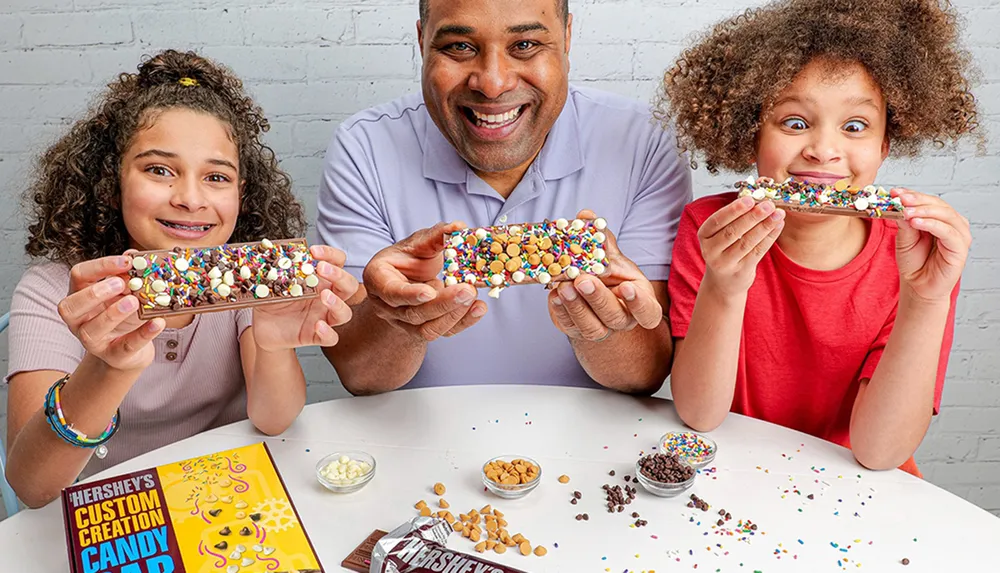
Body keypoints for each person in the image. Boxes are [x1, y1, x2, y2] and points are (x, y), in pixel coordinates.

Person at [4, 50, 359, 507]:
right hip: (107, 517)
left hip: (224, 498)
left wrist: (273, 345)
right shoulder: (50, 291)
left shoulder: (245, 284)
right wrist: (110, 365)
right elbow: (32, 488)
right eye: (159, 170)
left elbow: (275, 420)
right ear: (112, 184)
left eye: (216, 177)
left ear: (241, 194)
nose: (190, 199)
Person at [660, 0, 978, 475]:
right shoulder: (711, 230)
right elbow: (699, 415)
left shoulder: (917, 257)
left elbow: (880, 453)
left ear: (885, 143)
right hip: (736, 477)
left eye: (855, 127)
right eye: (794, 122)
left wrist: (926, 302)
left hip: (860, 489)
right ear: (752, 136)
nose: (824, 150)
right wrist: (724, 286)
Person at [316, 0, 692, 395]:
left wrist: (600, 328)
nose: (493, 84)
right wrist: (399, 321)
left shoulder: (645, 143)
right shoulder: (364, 148)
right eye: (459, 47)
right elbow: (361, 378)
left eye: (526, 44)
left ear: (566, 37)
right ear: (422, 41)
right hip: (417, 438)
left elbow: (645, 375)